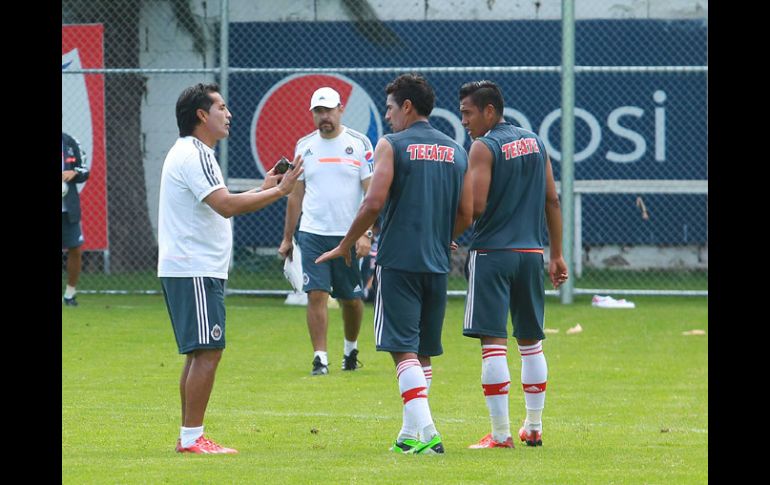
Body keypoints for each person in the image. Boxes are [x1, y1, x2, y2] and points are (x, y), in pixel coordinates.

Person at [316, 74, 473, 455]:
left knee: (401, 349)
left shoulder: (392, 144)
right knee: (421, 351)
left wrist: (345, 244)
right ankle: (409, 435)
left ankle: (430, 432)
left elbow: (373, 202)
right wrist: (444, 236)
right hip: (437, 263)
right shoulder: (456, 149)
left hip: (399, 260)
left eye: (389, 107)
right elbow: (468, 211)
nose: (386, 116)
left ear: (406, 106)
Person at [158, 82, 303, 454]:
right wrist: (281, 191)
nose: (229, 113)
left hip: (190, 267)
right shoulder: (197, 153)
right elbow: (226, 206)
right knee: (208, 351)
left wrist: (264, 187)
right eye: (221, 107)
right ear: (202, 115)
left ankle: (189, 435)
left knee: (200, 352)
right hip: (195, 267)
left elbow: (218, 202)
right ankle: (192, 438)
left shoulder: (190, 152)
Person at [457, 80, 568, 449]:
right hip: (531, 254)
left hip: (492, 253)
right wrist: (556, 254)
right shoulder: (536, 142)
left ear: (490, 111)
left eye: (468, 113)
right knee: (532, 344)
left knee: (493, 345)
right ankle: (533, 427)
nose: (464, 122)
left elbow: (477, 207)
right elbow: (552, 200)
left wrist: (446, 229)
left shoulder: (483, 146)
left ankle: (501, 434)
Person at [278, 87, 374, 376]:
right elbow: (295, 194)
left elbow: (370, 193)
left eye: (328, 110)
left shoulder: (359, 143)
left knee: (350, 299)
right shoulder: (304, 146)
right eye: (318, 112)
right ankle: (320, 358)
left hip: (348, 234)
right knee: (316, 294)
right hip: (312, 233)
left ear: (341, 109)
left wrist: (364, 233)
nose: (324, 117)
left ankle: (350, 348)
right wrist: (287, 237)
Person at [62, 132, 90, 306]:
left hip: (67, 208)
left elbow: (84, 170)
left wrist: (73, 173)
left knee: (75, 249)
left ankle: (70, 294)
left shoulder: (70, 142)